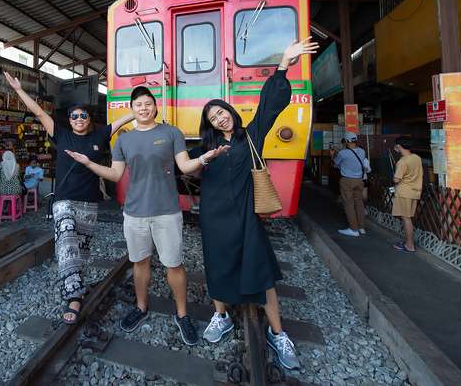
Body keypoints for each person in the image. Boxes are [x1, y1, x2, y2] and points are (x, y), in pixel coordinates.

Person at [65, 86, 230, 346]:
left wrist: (205, 158)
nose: (143, 108)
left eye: (148, 104)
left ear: (155, 107)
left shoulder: (171, 132)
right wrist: (88, 164)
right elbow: (116, 174)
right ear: (132, 110)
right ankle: (141, 307)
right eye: (138, 105)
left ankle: (182, 314)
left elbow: (185, 166)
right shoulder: (124, 140)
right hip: (135, 213)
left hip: (167, 212)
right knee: (139, 263)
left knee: (174, 264)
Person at [191, 37, 318, 368]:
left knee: (261, 274)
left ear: (231, 113)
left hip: (247, 216)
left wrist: (283, 65)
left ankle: (278, 333)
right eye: (214, 117)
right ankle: (221, 316)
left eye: (222, 112)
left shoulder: (252, 135)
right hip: (215, 219)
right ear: (209, 125)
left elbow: (270, 104)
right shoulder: (204, 149)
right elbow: (181, 165)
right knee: (216, 267)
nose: (220, 119)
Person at [4, 71, 134, 324]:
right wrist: (19, 91)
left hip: (89, 203)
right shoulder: (61, 134)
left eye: (83, 115)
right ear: (69, 119)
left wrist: (146, 106)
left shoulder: (100, 135)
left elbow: (124, 119)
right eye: (74, 116)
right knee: (65, 242)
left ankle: (77, 286)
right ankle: (73, 297)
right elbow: (39, 113)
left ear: (89, 119)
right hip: (64, 201)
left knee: (81, 251)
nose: (78, 119)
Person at [331, 132, 369, 237]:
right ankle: (361, 228)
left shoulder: (343, 153)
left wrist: (332, 155)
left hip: (347, 181)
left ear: (347, 141)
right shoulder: (362, 151)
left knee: (349, 204)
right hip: (359, 181)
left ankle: (353, 229)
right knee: (359, 204)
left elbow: (336, 164)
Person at [391, 137, 423, 253]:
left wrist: (394, 176)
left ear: (399, 146)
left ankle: (410, 245)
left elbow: (396, 179)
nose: (395, 148)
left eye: (396, 146)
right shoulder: (417, 158)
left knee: (406, 219)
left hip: (404, 193)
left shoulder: (402, 161)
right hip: (414, 192)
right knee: (408, 218)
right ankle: (408, 243)